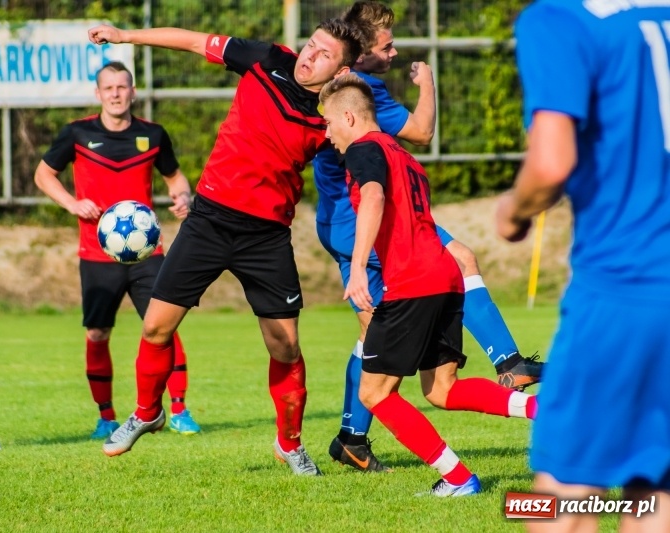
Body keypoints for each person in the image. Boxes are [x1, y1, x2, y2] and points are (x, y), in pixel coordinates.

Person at [87, 19, 366, 475]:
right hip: (210, 220)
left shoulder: (334, 115)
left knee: (285, 348)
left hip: (267, 237)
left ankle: (289, 444)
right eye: (311, 45)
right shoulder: (269, 59)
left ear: (339, 71)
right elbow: (196, 40)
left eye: (323, 55)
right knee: (156, 327)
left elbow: (380, 148)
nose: (309, 56)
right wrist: (125, 37)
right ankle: (146, 412)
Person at [314, 0, 543, 473]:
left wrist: (357, 268)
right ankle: (534, 395)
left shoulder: (361, 135)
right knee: (439, 385)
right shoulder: (380, 133)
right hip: (407, 256)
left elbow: (375, 195)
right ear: (358, 51)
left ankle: (452, 473)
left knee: (376, 384)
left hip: (399, 262)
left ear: (349, 119)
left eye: (331, 124)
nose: (394, 52)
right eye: (387, 44)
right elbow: (418, 137)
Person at [496, 1, 670, 530]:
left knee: (554, 499)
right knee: (654, 488)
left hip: (627, 289)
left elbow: (551, 164)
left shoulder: (560, 19)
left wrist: (512, 210)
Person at [34, 61, 201, 439]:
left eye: (122, 87)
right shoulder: (77, 133)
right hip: (97, 253)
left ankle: (179, 410)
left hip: (148, 254)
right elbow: (43, 175)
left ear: (133, 92)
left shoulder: (153, 135)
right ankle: (106, 416)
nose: (115, 93)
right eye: (108, 88)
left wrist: (182, 195)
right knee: (97, 334)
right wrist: (72, 204)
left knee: (164, 326)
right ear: (98, 94)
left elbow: (174, 175)